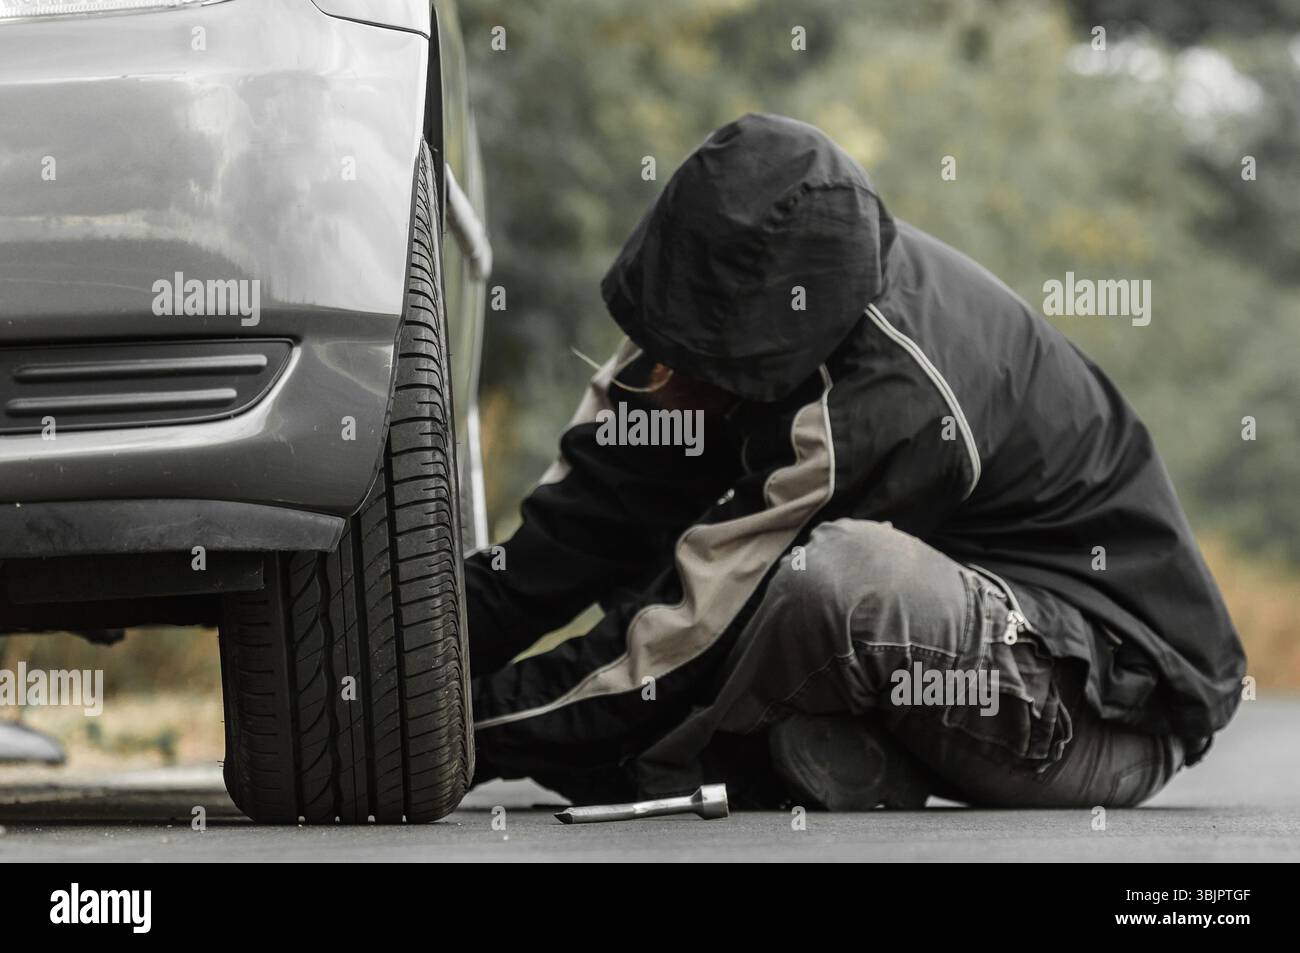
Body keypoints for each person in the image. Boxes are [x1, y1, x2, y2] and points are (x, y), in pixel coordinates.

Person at [464, 113, 1245, 810]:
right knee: (678, 616)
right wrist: (401, 657)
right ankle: (789, 758)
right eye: (658, 341)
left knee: (835, 577)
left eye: (685, 361)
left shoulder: (887, 400)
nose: (655, 376)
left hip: (1101, 715)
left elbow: (687, 632)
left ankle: (721, 761)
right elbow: (576, 533)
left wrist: (456, 733)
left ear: (762, 344)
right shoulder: (716, 308)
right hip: (960, 662)